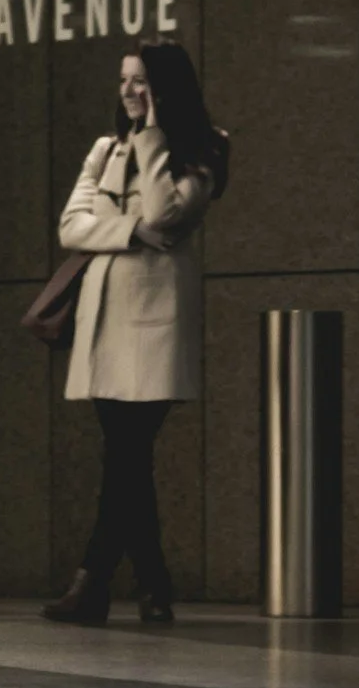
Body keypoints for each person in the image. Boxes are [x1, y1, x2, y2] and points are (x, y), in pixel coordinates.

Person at [42, 39, 226, 627]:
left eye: (141, 80)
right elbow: (71, 227)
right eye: (124, 80)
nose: (128, 91)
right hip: (103, 323)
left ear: (166, 87)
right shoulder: (104, 148)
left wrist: (151, 138)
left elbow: (169, 214)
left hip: (154, 326)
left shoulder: (204, 147)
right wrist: (129, 232)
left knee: (126, 455)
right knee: (128, 459)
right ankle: (152, 587)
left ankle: (93, 581)